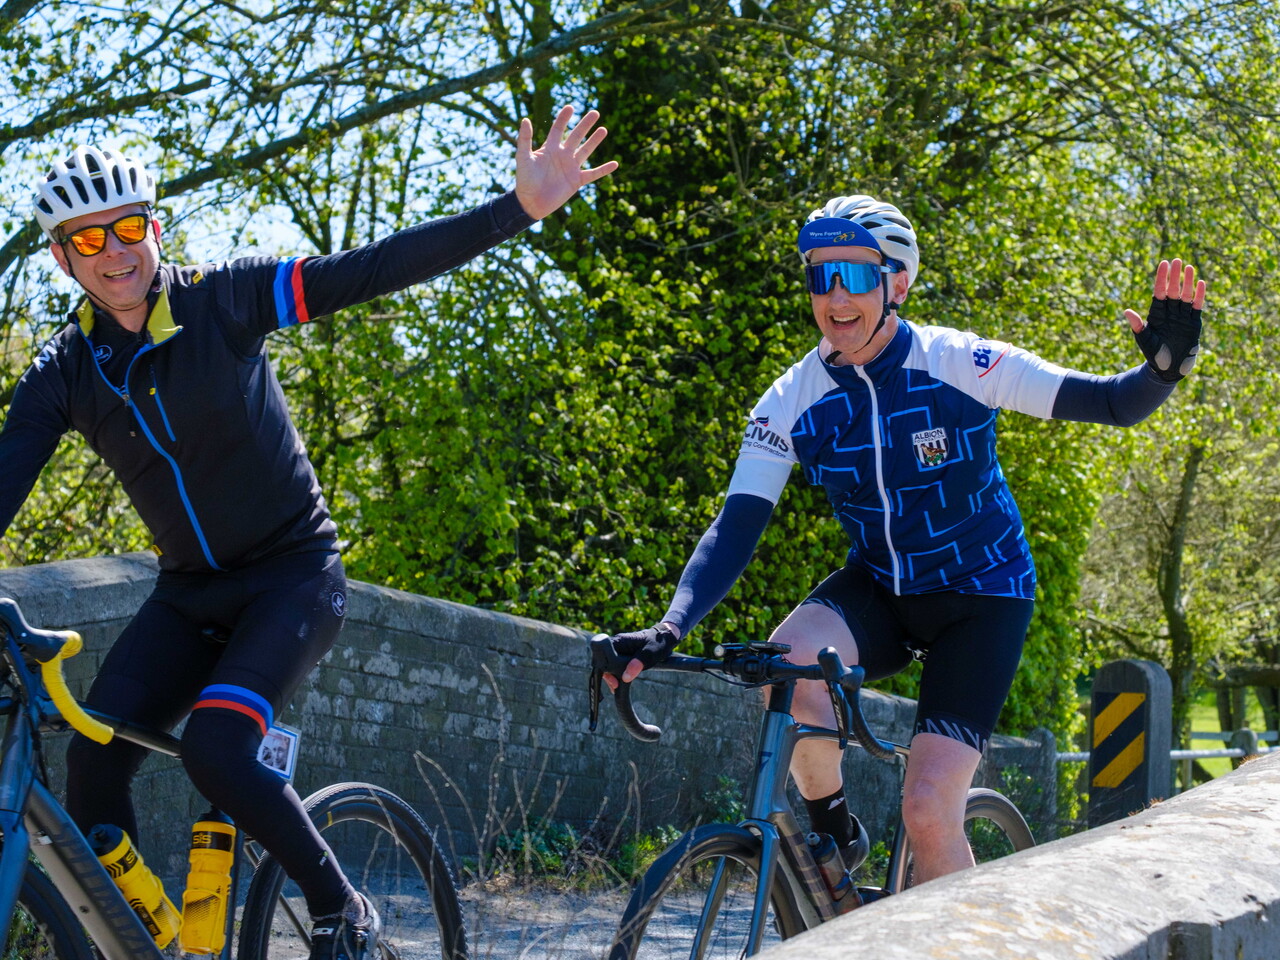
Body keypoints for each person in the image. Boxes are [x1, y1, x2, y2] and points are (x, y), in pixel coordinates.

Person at [0, 105, 616, 960]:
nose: (116, 252)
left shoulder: (222, 299)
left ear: (155, 226)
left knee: (219, 749)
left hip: (294, 577)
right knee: (89, 771)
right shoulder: (64, 371)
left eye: (129, 225)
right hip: (188, 592)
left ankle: (343, 909)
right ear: (63, 257)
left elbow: (369, 269)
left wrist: (518, 208)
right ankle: (151, 943)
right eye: (89, 238)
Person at [601, 194, 1205, 888]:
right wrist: (672, 624)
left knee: (926, 812)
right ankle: (834, 840)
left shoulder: (962, 362)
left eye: (854, 276)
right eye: (818, 277)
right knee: (786, 673)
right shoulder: (790, 399)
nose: (835, 298)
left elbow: (1109, 402)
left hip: (982, 595)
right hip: (883, 587)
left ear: (897, 284)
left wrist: (1162, 371)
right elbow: (737, 523)